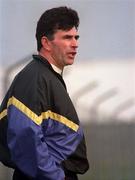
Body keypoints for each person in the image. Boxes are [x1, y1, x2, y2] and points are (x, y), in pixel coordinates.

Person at [0, 6, 89, 180]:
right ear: (46, 43)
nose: (75, 44)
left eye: (76, 37)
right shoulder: (35, 78)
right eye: (67, 37)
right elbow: (25, 137)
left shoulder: (48, 76)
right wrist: (56, 176)